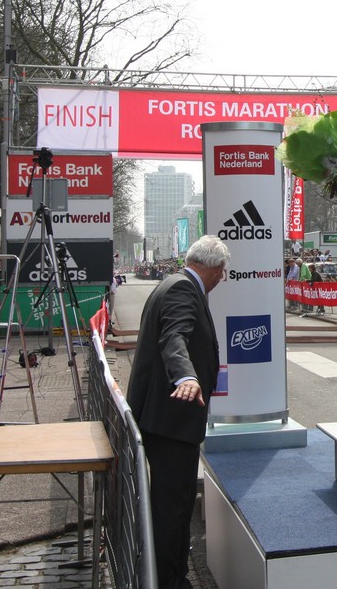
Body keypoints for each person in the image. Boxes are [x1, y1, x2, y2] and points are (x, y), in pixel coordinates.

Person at [127, 235, 230, 589]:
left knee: (170, 503)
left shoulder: (172, 283)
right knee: (173, 506)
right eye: (222, 272)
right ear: (215, 267)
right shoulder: (183, 289)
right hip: (171, 421)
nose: (221, 279)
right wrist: (186, 375)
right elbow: (174, 337)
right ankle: (170, 579)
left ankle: (165, 571)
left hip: (165, 418)